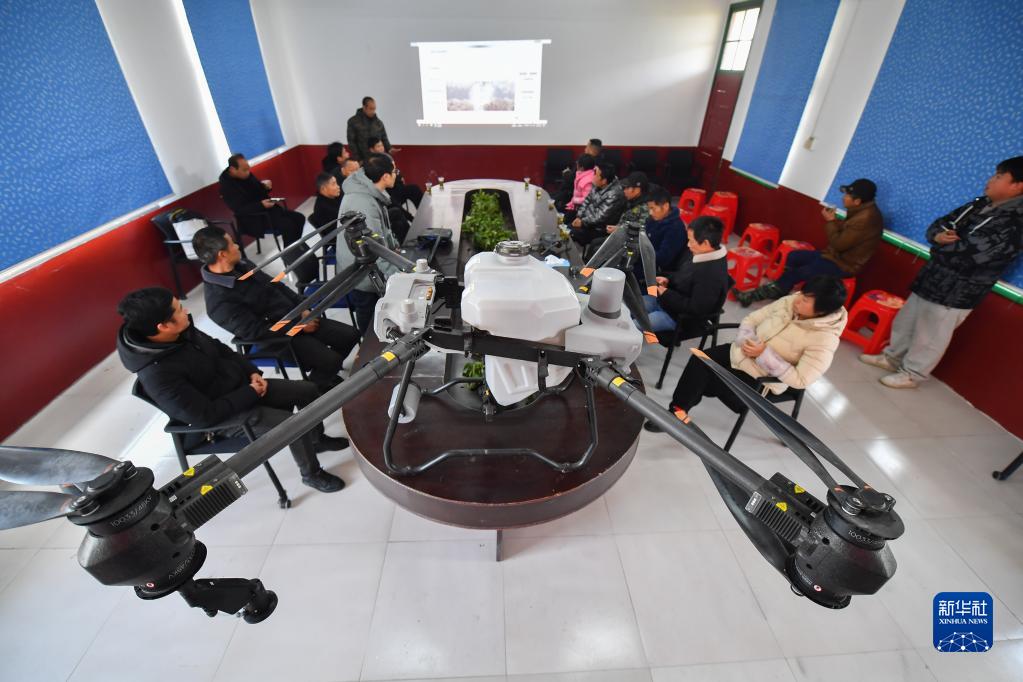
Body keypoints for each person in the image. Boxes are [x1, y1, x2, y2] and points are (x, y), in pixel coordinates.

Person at [116, 287, 348, 492]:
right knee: (291, 424)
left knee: (308, 391)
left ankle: (316, 441)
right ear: (163, 326)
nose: (185, 311)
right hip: (223, 416)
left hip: (242, 388)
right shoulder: (156, 374)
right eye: (179, 309)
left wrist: (251, 371)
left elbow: (221, 349)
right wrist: (250, 392)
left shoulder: (181, 332)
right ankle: (311, 474)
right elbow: (203, 415)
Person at [860, 157, 1023, 389]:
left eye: (998, 176)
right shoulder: (979, 204)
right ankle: (891, 357)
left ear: (1017, 186)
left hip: (958, 290)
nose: (990, 180)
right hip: (933, 276)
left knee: (931, 335)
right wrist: (937, 237)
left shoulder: (1015, 221)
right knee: (906, 321)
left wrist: (938, 247)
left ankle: (912, 374)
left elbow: (973, 254)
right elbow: (940, 224)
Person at [645, 276, 848, 432]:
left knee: (706, 379)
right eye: (802, 293)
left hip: (761, 377)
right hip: (742, 352)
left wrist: (764, 354)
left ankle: (683, 409)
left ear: (820, 312)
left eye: (806, 300)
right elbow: (752, 319)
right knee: (700, 360)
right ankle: (676, 412)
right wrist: (745, 340)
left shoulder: (824, 339)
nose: (798, 300)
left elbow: (801, 379)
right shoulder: (790, 301)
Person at [193, 226, 360, 392]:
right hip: (277, 338)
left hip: (297, 318)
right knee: (330, 360)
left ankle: (324, 376)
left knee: (350, 335)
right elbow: (258, 332)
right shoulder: (218, 301)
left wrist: (302, 307)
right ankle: (315, 391)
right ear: (222, 254)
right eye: (232, 244)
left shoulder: (243, 265)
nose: (237, 246)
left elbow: (276, 285)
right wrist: (298, 325)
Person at [735, 179, 884, 306]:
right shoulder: (860, 211)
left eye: (847, 196)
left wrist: (831, 221)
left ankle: (753, 296)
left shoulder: (865, 219)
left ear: (857, 201)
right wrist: (834, 221)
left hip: (844, 265)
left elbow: (839, 244)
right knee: (794, 256)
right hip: (833, 256)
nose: (843, 198)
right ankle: (781, 288)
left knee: (799, 272)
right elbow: (847, 233)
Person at [338, 153, 404, 333]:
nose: (397, 174)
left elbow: (382, 230)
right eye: (395, 171)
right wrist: (398, 277)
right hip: (361, 273)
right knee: (369, 319)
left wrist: (394, 245)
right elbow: (375, 248)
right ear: (385, 177)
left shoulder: (369, 191)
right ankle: (367, 345)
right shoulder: (363, 203)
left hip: (369, 266)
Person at [641, 216, 729, 333]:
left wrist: (666, 293)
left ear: (705, 243)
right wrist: (668, 279)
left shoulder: (711, 275)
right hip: (667, 301)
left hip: (677, 318)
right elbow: (683, 275)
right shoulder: (701, 253)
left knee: (634, 326)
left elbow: (696, 309)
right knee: (631, 306)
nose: (688, 245)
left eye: (691, 241)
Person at [218, 153, 304, 247]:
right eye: (244, 170)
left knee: (299, 218)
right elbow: (239, 210)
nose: (248, 172)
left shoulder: (246, 175)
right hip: (253, 219)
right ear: (232, 169)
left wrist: (266, 187)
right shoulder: (227, 187)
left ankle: (296, 248)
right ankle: (291, 253)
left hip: (269, 211)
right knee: (288, 225)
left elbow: (258, 190)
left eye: (248, 169)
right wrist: (261, 205)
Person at [570, 161, 625, 251]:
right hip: (588, 222)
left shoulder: (615, 194)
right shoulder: (597, 184)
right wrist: (579, 217)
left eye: (596, 175)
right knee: (567, 225)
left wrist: (582, 222)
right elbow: (586, 201)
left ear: (604, 181)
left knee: (571, 232)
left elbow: (600, 217)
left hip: (600, 228)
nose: (593, 177)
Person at [367, 136, 423, 211]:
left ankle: (422, 212)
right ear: (371, 150)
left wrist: (400, 177)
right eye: (378, 146)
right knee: (412, 190)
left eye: (382, 145)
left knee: (414, 189)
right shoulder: (372, 163)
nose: (381, 148)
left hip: (397, 187)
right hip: (388, 192)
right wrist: (397, 177)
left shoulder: (386, 157)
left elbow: (396, 170)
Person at [644, 185, 688, 272]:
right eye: (649, 209)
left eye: (653, 208)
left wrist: (641, 251)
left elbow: (663, 259)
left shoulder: (675, 229)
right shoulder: (653, 219)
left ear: (666, 206)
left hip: (661, 271)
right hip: (648, 259)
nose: (650, 212)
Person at [346, 96, 398, 162]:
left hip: (378, 159)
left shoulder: (378, 123)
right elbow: (351, 142)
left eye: (374, 109)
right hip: (362, 159)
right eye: (371, 109)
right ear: (364, 107)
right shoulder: (353, 121)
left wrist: (389, 149)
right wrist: (358, 159)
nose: (373, 111)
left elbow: (384, 138)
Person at [560, 153, 596, 220]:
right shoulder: (581, 173)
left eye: (577, 163)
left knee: (561, 220)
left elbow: (587, 199)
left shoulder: (588, 181)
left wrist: (574, 200)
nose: (576, 163)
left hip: (581, 211)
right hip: (573, 205)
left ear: (582, 167)